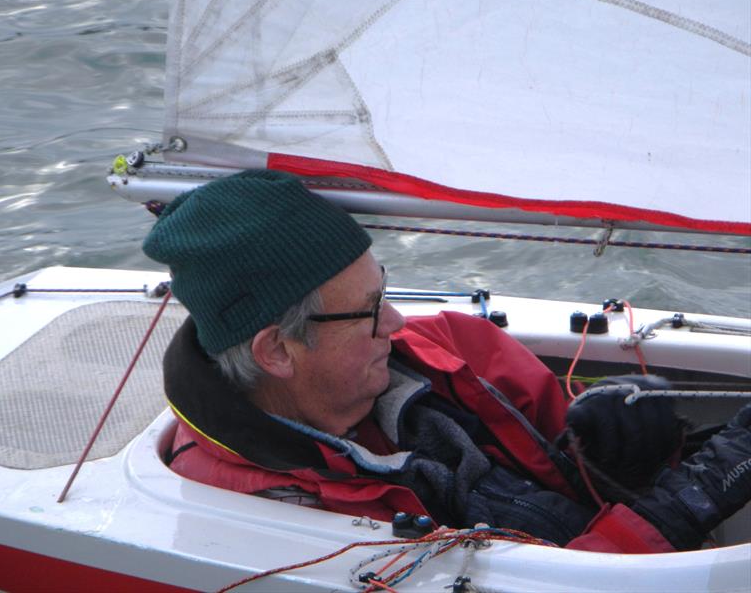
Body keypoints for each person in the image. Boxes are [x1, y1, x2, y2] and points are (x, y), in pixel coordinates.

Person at [143, 170, 751, 553]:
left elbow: (567, 460)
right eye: (369, 309)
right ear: (276, 351)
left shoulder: (453, 346)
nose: (398, 323)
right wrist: (683, 505)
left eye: (386, 292)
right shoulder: (258, 516)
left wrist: (633, 455)